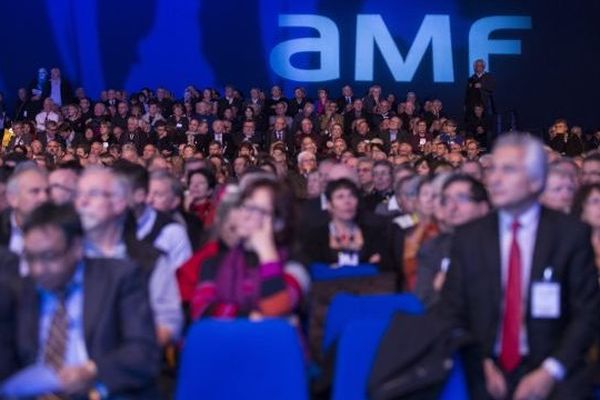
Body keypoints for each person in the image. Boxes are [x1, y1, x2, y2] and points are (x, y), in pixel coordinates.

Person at [438, 133, 600, 399]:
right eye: (493, 169)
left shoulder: (570, 235)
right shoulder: (470, 237)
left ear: (536, 181)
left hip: (554, 368)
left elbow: (588, 315)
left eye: (509, 169)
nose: (495, 178)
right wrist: (481, 363)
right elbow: (450, 311)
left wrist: (550, 370)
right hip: (483, 367)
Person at [14, 202, 160, 398]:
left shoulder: (118, 278)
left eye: (49, 257)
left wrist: (92, 371)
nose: (38, 269)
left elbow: (143, 353)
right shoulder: (22, 290)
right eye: (31, 258)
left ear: (76, 247)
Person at [75, 166, 183, 345]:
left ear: (119, 203)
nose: (82, 202)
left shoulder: (149, 261)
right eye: (78, 194)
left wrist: (123, 355)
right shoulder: (63, 255)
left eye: (93, 194)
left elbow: (168, 323)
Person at [190, 177, 303, 319]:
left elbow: (276, 309)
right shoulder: (214, 263)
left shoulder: (294, 263)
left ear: (277, 222)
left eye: (256, 209)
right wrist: (249, 315)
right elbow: (201, 310)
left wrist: (266, 251)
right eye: (244, 206)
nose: (245, 215)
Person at [414, 174, 489, 307]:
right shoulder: (432, 248)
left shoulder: (504, 244)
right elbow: (425, 299)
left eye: (462, 198)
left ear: (483, 207)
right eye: (447, 200)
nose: (452, 207)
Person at [301, 178, 393, 271]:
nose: (347, 201)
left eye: (351, 196)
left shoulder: (374, 234)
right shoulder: (315, 237)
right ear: (329, 205)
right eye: (340, 197)